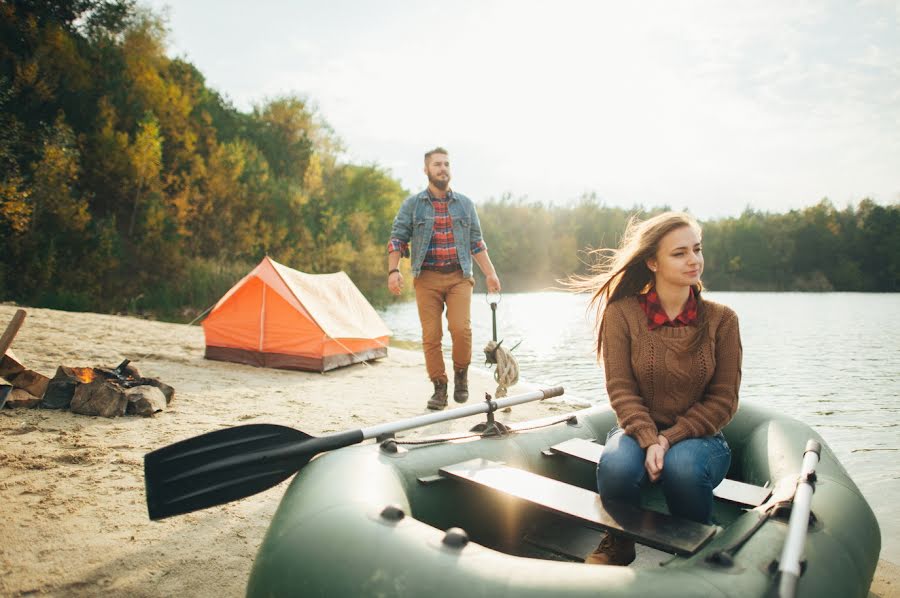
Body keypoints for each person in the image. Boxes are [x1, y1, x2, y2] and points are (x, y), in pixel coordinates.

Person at [578, 211, 742, 566]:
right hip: (638, 429)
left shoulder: (722, 319)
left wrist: (668, 439)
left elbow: (724, 399)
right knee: (617, 466)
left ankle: (694, 545)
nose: (694, 260)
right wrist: (649, 438)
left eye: (696, 249)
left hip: (703, 438)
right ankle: (619, 542)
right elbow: (620, 389)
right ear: (652, 261)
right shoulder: (621, 314)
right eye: (679, 252)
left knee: (682, 468)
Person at [387, 147, 501, 410]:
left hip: (459, 277)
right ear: (426, 170)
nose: (442, 169)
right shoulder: (412, 205)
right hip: (426, 279)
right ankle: (440, 387)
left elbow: (477, 243)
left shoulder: (465, 204)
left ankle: (461, 374)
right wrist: (393, 271)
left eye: (446, 164)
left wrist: (490, 273)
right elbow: (397, 239)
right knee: (431, 335)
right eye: (437, 164)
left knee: (461, 329)